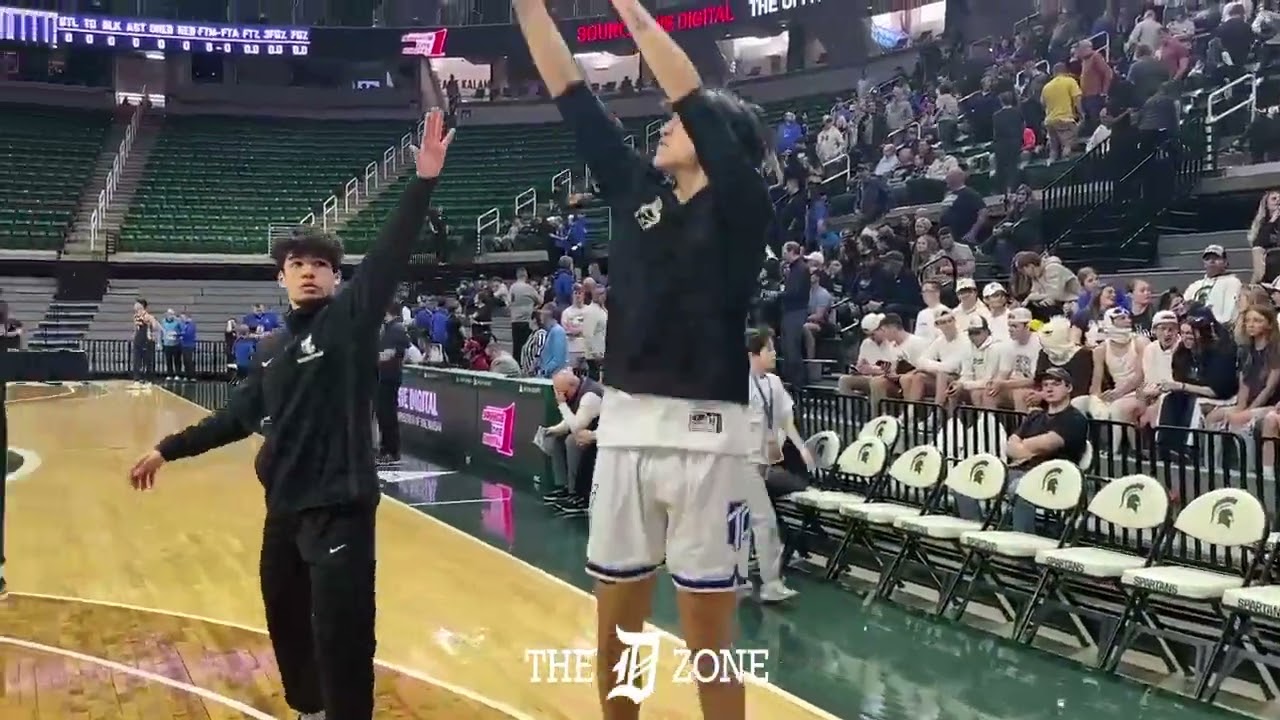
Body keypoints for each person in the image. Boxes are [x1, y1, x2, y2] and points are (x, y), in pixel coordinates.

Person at [126, 110, 453, 720]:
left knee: (344, 635)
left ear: (336, 278)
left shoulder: (350, 323)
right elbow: (235, 417)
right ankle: (309, 709)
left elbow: (387, 257)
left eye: (321, 265)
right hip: (284, 512)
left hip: (340, 510)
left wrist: (423, 181)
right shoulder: (272, 350)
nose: (308, 271)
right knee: (287, 624)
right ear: (281, 279)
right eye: (297, 265)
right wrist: (166, 448)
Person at [514, 0, 771, 715]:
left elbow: (686, 87)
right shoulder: (637, 195)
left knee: (708, 645)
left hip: (707, 440)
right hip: (626, 431)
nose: (664, 123)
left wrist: (630, 9)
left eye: (680, 122)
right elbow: (570, 92)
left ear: (719, 141)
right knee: (616, 638)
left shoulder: (743, 206)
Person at [954, 367, 1090, 533]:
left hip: (1054, 477)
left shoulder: (1074, 419)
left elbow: (1048, 443)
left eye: (1055, 384)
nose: (1049, 388)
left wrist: (1024, 446)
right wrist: (1028, 448)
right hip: (1020, 470)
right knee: (963, 479)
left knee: (1019, 487)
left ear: (1068, 388)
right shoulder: (1035, 416)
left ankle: (1022, 542)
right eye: (1045, 385)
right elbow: (1010, 447)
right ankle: (976, 534)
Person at [745, 328, 808, 603]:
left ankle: (740, 579)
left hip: (762, 463)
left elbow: (784, 419)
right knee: (764, 521)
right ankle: (771, 583)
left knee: (744, 521)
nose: (774, 354)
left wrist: (799, 445)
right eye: (768, 349)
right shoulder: (736, 385)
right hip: (740, 463)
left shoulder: (773, 382)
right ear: (752, 354)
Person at [542, 368, 604, 516]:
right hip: (588, 432)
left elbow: (576, 426)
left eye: (561, 392)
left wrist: (562, 405)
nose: (559, 395)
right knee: (557, 438)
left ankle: (577, 493)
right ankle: (564, 486)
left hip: (598, 436)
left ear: (572, 386)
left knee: (572, 441)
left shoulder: (590, 396)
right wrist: (552, 430)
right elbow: (570, 422)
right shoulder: (575, 392)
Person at [376, 303, 413, 464]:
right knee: (382, 415)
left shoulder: (396, 328)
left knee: (388, 415)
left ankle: (392, 451)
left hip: (389, 378)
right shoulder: (388, 327)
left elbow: (394, 353)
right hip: (382, 377)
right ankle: (384, 448)